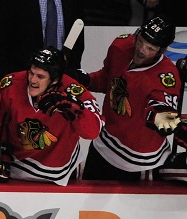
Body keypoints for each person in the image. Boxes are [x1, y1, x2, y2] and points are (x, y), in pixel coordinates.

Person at [74, 16, 182, 181]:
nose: (141, 50)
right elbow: (107, 78)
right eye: (140, 41)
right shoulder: (121, 46)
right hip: (103, 146)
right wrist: (87, 80)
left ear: (162, 50)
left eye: (150, 48)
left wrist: (160, 117)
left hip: (138, 161)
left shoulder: (165, 76)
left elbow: (159, 106)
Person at [0, 47, 103, 186]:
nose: (32, 80)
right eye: (31, 73)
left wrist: (73, 107)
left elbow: (93, 132)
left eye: (40, 76)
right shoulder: (11, 84)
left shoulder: (74, 91)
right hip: (17, 169)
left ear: (55, 80)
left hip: (60, 173)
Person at [0, 0, 85, 78]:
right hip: (23, 79)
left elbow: (78, 44)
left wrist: (71, 75)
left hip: (62, 79)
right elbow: (1, 47)